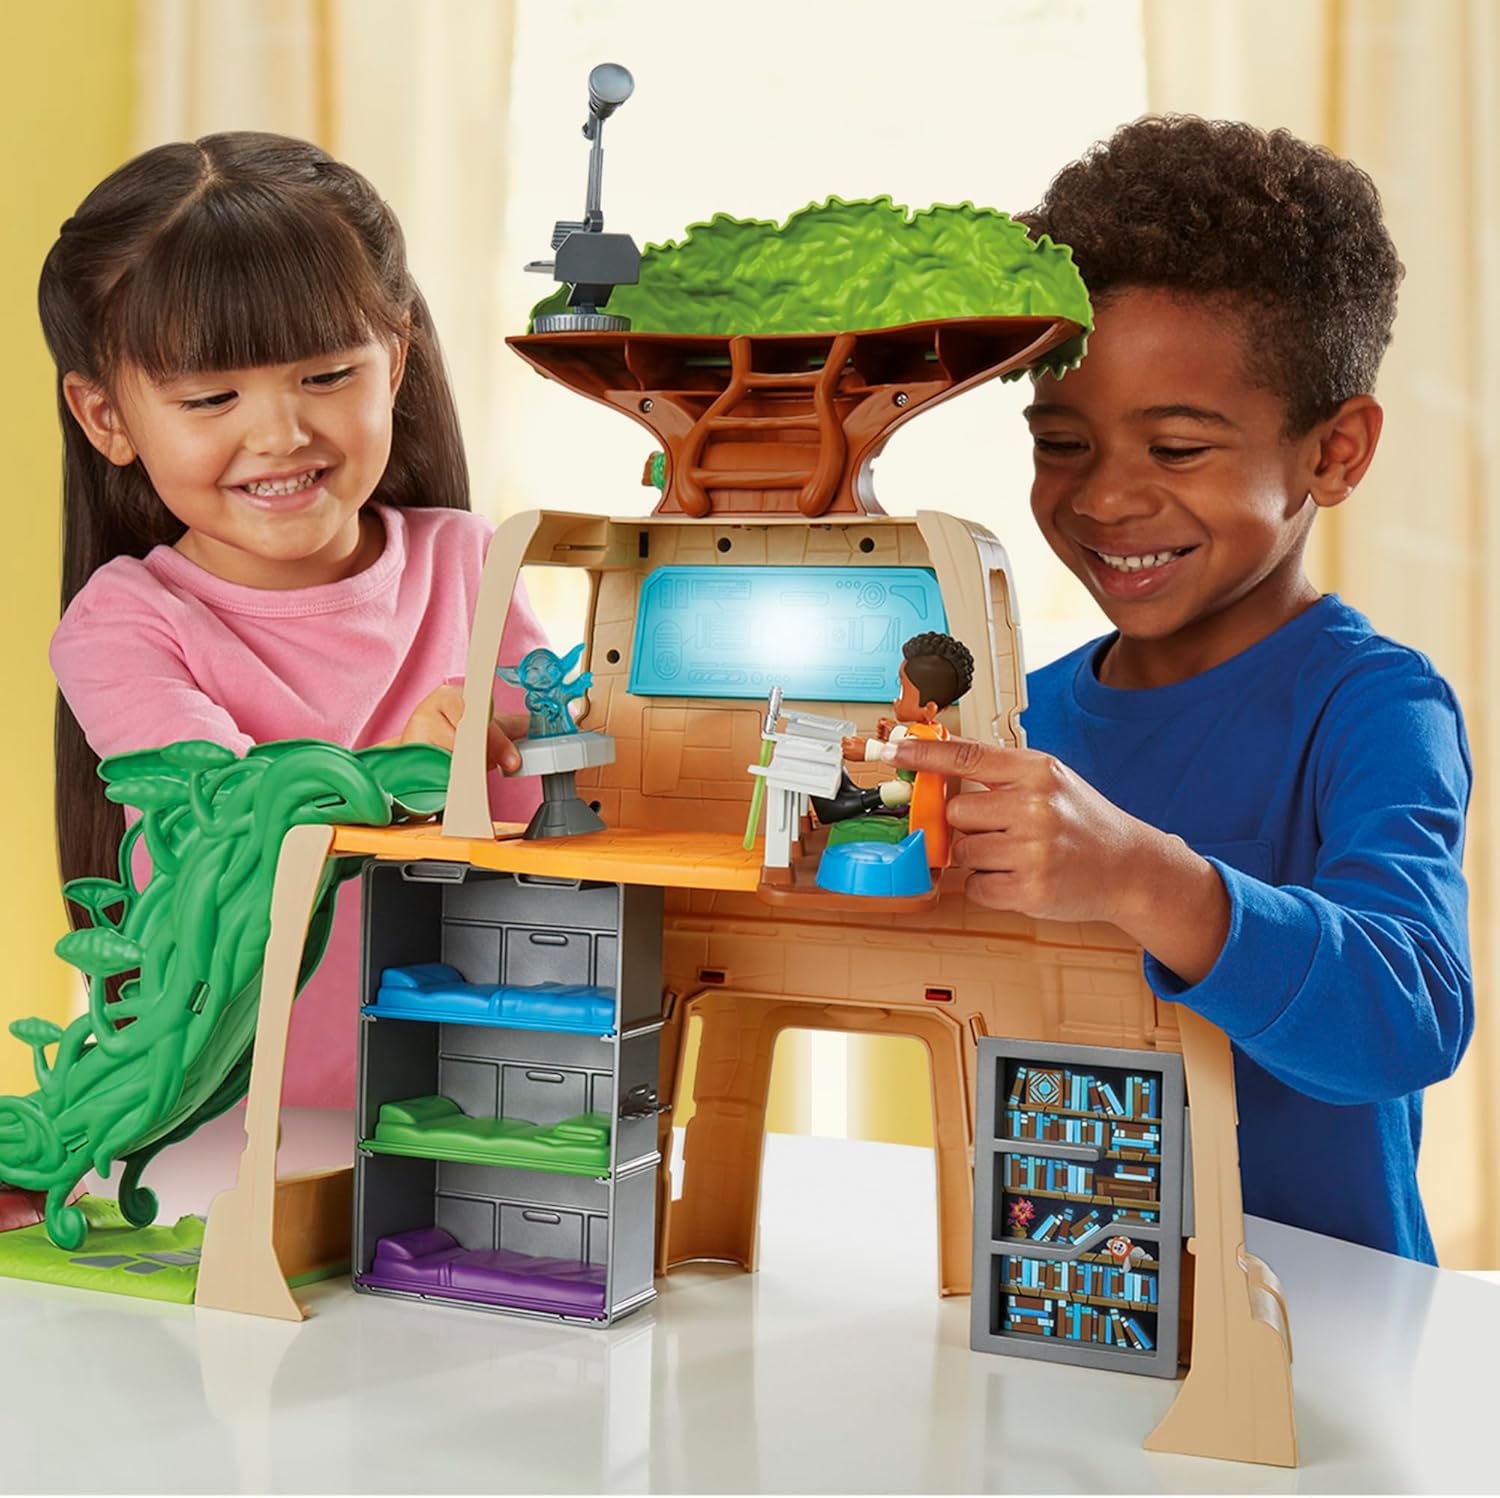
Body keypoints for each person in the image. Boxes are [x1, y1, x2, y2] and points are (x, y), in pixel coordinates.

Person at [885, 117, 1472, 1262]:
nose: (1105, 500)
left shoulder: (1375, 707)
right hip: (1067, 1302)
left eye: (1178, 448)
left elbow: (1408, 1013)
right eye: (1063, 443)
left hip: (1326, 1320)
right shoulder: (1018, 721)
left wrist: (1138, 875)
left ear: (1334, 452)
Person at [41, 132, 547, 1108]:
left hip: (484, 1094)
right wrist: (402, 774)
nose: (280, 433)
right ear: (107, 418)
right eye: (211, 397)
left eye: (326, 377)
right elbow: (232, 827)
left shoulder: (472, 559)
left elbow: (574, 778)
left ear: (394, 363)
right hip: (238, 1115)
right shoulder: (125, 626)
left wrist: (544, 728)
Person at [820, 631, 975, 868]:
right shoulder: (934, 730)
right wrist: (893, 732)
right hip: (909, 805)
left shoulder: (926, 737)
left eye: (902, 692)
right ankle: (856, 798)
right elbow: (911, 740)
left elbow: (905, 758)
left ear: (929, 709)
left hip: (908, 805)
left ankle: (854, 802)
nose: (896, 700)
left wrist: (866, 750)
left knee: (848, 824)